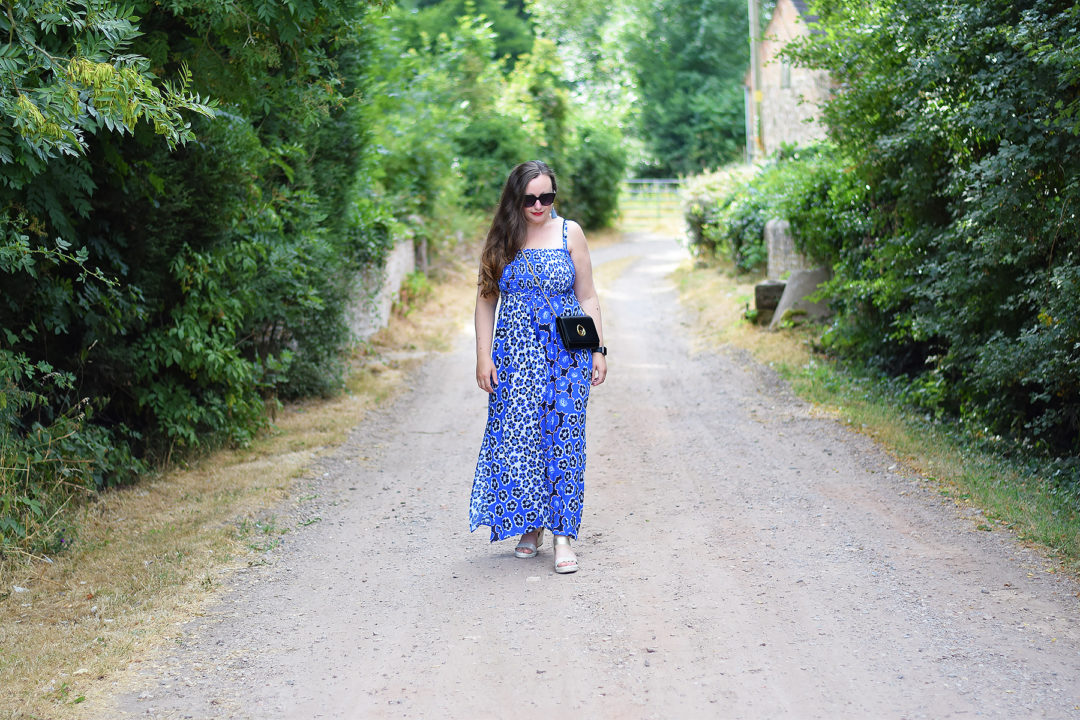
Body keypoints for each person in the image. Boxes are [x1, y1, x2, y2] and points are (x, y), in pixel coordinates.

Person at [468, 160, 608, 574]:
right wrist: (483, 355)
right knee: (521, 440)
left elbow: (588, 296)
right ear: (516, 198)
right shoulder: (502, 238)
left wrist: (599, 349)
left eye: (546, 197)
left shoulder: (570, 233)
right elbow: (485, 300)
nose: (539, 205)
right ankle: (531, 527)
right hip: (515, 358)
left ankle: (563, 535)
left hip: (568, 356)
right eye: (530, 198)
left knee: (565, 440)